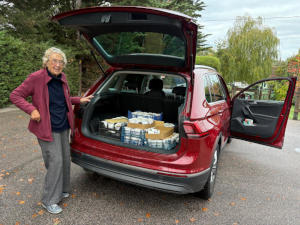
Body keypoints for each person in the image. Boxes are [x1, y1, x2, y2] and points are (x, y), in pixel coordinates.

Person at [10, 47, 93, 214]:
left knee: (63, 160)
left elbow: (64, 99)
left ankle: (62, 189)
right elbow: (15, 95)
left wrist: (79, 100)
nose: (57, 64)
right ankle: (49, 200)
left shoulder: (62, 77)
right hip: (47, 128)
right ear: (46, 61)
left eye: (60, 62)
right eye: (54, 60)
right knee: (55, 163)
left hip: (63, 125)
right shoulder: (36, 78)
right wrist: (31, 110)